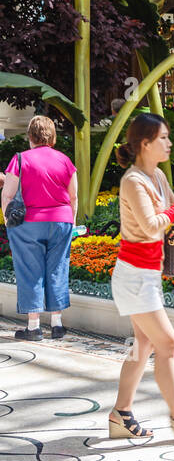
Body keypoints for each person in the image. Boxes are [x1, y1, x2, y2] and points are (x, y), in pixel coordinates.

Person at [109, 113, 174, 443]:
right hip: (134, 277)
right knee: (168, 343)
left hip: (148, 274)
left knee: (142, 345)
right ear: (145, 144)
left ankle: (120, 415)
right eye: (163, 138)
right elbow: (154, 225)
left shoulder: (156, 177)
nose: (169, 143)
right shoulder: (134, 181)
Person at [1, 115, 76, 341]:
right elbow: (74, 196)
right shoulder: (65, 160)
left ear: (30, 136)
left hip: (29, 224)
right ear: (52, 137)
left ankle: (33, 327)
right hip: (61, 221)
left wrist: (7, 219)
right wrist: (71, 222)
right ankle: (57, 324)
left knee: (30, 271)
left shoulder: (20, 159)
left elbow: (8, 193)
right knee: (58, 268)